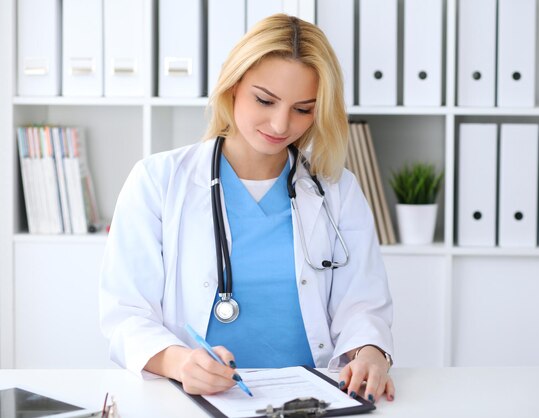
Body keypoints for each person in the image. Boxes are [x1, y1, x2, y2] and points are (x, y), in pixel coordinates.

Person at [99, 13, 395, 403]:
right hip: (196, 401)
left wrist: (370, 351)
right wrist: (180, 363)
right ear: (233, 85)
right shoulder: (158, 181)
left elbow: (363, 303)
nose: (280, 123)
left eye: (303, 109)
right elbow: (125, 312)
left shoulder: (337, 189)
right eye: (265, 100)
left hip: (311, 400)